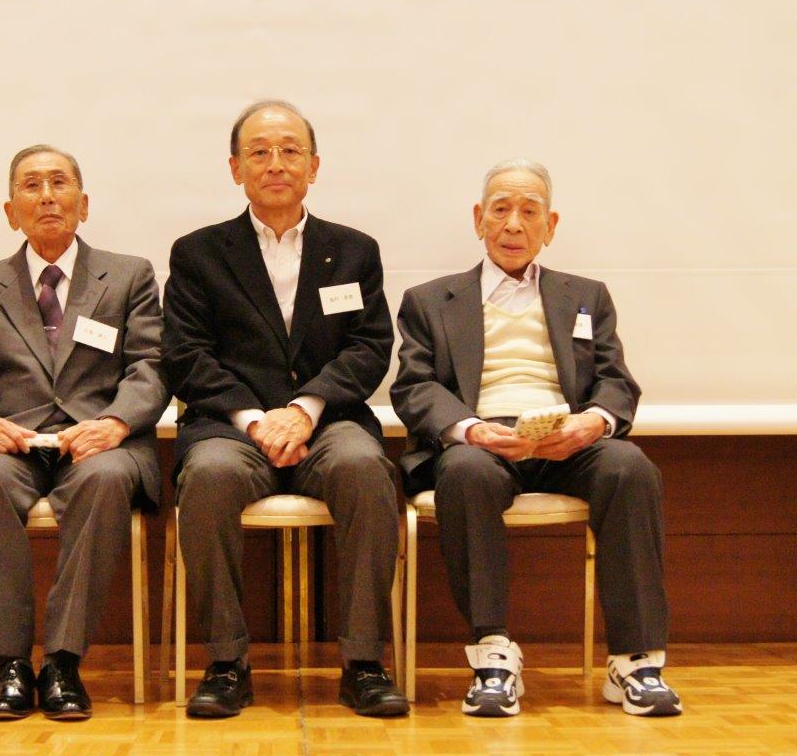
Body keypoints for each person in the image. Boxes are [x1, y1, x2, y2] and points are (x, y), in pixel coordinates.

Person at [390, 158, 682, 718]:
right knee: (464, 472)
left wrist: (592, 422)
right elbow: (414, 386)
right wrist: (470, 430)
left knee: (631, 468)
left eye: (530, 212)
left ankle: (636, 662)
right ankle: (493, 657)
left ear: (551, 226)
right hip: (482, 438)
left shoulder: (586, 296)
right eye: (501, 209)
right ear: (478, 218)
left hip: (564, 438)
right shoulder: (430, 300)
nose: (514, 224)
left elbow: (616, 380)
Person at [162, 101, 408, 718]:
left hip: (328, 421)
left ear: (314, 166)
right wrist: (255, 419)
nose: (276, 163)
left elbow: (369, 347)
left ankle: (364, 662)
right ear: (235, 168)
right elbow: (186, 355)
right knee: (209, 476)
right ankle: (226, 664)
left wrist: (304, 408)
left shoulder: (353, 250)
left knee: (365, 469)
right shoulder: (198, 254)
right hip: (230, 427)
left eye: (290, 150)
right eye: (260, 152)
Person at [0, 144, 168, 720]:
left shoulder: (129, 275)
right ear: (10, 211)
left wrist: (115, 422)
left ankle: (63, 660)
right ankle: (10, 663)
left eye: (59, 183)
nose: (46, 197)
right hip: (14, 445)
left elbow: (152, 365)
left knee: (105, 479)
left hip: (99, 442)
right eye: (31, 186)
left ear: (83, 204)